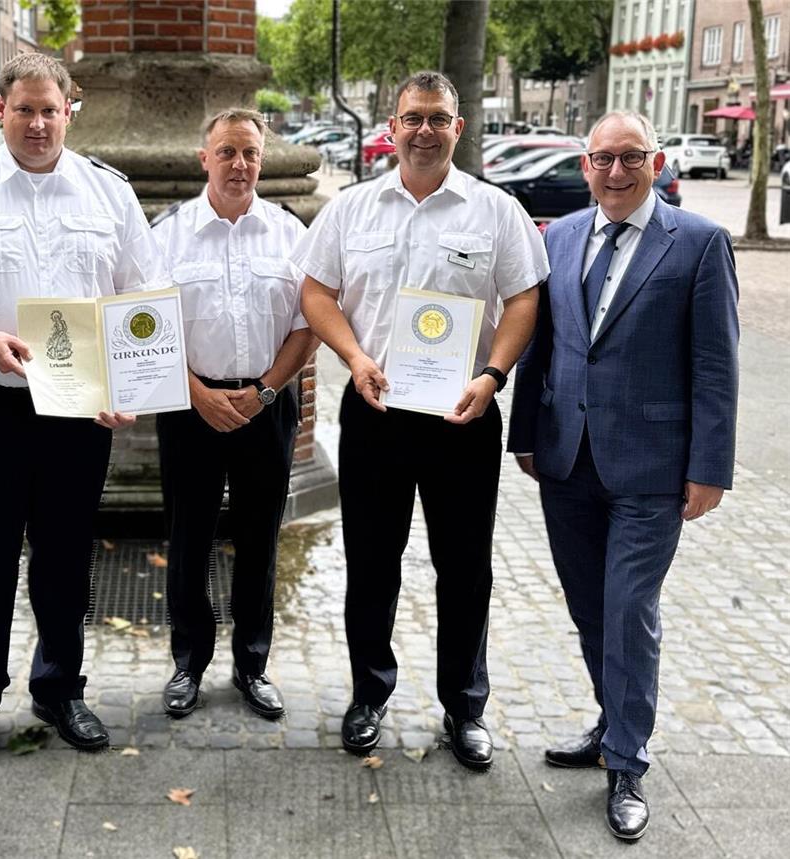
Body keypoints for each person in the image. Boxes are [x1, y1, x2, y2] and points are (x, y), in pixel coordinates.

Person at [0, 53, 166, 771]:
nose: (38, 122)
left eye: (51, 109)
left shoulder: (107, 193)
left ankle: (59, 688)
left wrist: (126, 387)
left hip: (77, 409)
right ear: (0, 111)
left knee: (64, 556)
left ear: (69, 110)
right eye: (24, 109)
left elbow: (139, 298)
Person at [292, 71, 548, 766]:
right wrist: (352, 355)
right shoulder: (352, 209)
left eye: (439, 118)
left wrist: (492, 374)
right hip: (375, 409)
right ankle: (368, 693)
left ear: (458, 128)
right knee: (372, 565)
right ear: (391, 127)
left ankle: (464, 707)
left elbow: (524, 299)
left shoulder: (496, 211)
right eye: (413, 118)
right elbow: (315, 291)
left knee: (465, 568)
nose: (425, 130)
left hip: (463, 416)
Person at [508, 111, 739, 841]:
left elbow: (715, 366)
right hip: (567, 458)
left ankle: (628, 762)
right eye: (602, 159)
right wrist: (525, 437)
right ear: (585, 166)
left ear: (656, 161)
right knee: (589, 605)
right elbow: (541, 346)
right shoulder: (562, 235)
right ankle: (613, 720)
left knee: (628, 608)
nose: (615, 171)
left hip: (651, 467)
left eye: (630, 158)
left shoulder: (699, 243)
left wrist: (710, 468)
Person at [151, 109, 316, 720]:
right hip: (191, 407)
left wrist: (268, 392)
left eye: (249, 153)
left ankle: (252, 662)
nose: (239, 164)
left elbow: (309, 327)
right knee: (188, 538)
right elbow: (146, 333)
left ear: (261, 160)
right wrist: (197, 393)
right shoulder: (166, 234)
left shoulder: (290, 233)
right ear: (205, 158)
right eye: (227, 152)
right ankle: (188, 662)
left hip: (267, 406)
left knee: (260, 540)